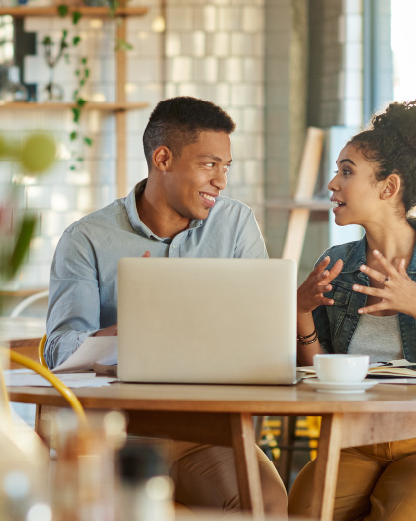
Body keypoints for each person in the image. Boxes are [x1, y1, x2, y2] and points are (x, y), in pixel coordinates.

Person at [45, 96, 287, 515]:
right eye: (209, 165)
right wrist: (129, 332)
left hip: (208, 427)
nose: (221, 182)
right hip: (120, 429)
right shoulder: (87, 239)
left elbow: (260, 329)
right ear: (162, 158)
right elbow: (58, 350)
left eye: (225, 167)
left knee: (264, 503)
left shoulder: (235, 224)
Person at [287, 99, 416, 521]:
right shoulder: (337, 262)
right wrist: (300, 312)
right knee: (301, 511)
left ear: (388, 187)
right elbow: (319, 378)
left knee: (399, 515)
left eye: (346, 171)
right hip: (354, 441)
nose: (332, 183)